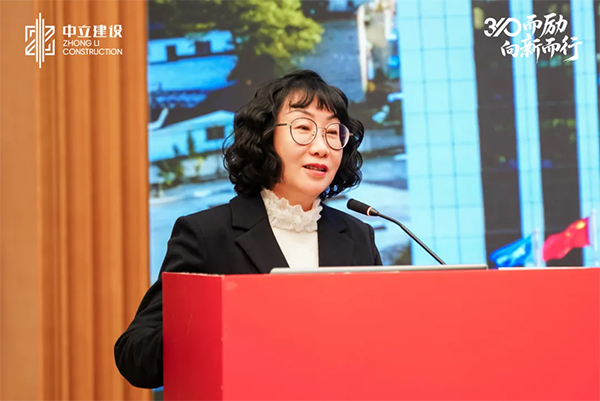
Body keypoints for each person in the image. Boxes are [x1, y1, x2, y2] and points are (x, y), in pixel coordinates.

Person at [114, 70, 382, 389]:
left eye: (333, 132)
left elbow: (380, 345)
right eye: (303, 128)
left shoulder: (358, 236)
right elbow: (136, 356)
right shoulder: (206, 234)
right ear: (266, 138)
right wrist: (220, 320)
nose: (322, 147)